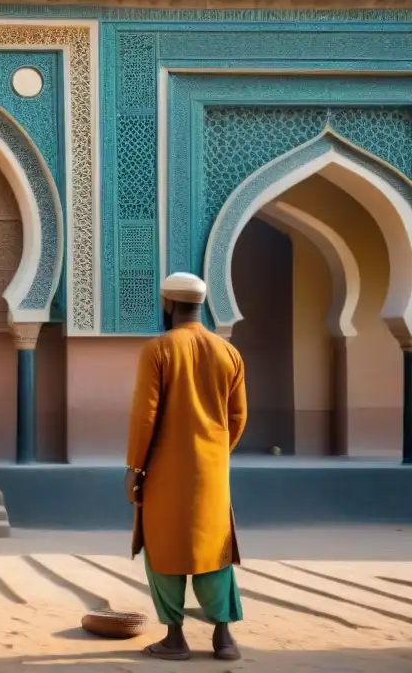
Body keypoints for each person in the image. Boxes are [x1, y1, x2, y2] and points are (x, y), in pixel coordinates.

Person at [125, 272, 248, 661]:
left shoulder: (158, 350)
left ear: (168, 304)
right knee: (215, 550)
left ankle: (175, 638)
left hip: (163, 472)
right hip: (213, 474)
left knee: (163, 549)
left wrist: (135, 468)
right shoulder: (228, 352)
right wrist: (215, 453)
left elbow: (145, 416)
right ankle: (224, 638)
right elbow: (238, 416)